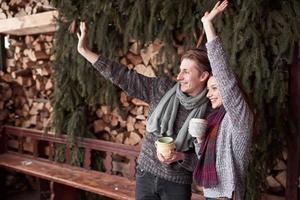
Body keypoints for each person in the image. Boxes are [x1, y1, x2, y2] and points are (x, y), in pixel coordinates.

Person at [77, 20, 212, 199]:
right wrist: (85, 51)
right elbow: (124, 77)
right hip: (145, 175)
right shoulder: (163, 88)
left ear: (203, 76)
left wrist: (180, 156)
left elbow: (206, 161)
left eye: (186, 72)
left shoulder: (210, 110)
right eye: (180, 70)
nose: (179, 77)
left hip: (177, 184)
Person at [193, 1, 254, 200]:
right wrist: (200, 139)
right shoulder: (215, 120)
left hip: (228, 196)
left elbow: (224, 76)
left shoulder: (239, 117)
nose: (209, 94)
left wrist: (207, 26)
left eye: (214, 88)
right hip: (211, 193)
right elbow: (204, 157)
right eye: (208, 89)